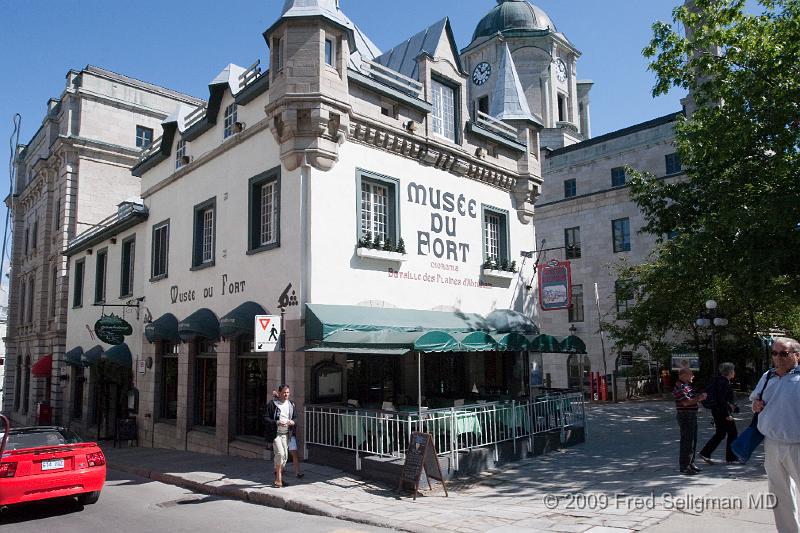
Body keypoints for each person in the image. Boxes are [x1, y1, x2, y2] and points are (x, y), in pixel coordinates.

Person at [750, 337, 800, 532]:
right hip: (771, 444)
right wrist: (755, 405)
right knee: (779, 492)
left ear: (797, 355)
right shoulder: (768, 376)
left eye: (783, 353)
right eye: (774, 353)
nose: (777, 357)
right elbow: (755, 398)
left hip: (797, 444)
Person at [699, 362, 740, 464]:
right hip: (722, 412)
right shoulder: (724, 383)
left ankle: (705, 453)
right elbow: (721, 400)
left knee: (720, 433)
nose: (734, 372)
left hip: (717, 411)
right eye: (733, 370)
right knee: (732, 433)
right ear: (730, 372)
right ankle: (731, 458)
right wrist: (727, 415)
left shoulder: (718, 381)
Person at [672, 367, 707, 475]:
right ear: (683, 375)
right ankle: (684, 467)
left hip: (691, 415)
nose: (693, 376)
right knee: (687, 441)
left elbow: (691, 398)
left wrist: (698, 398)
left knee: (692, 441)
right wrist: (699, 398)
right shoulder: (679, 386)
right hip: (686, 416)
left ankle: (691, 463)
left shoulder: (686, 386)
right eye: (691, 374)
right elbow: (686, 402)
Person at [264, 384, 296, 488]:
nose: (286, 394)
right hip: (275, 434)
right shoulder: (273, 404)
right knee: (280, 454)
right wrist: (277, 422)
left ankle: (278, 474)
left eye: (288, 392)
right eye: (284, 393)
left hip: (286, 434)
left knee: (285, 457)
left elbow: (295, 418)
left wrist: (292, 422)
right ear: (279, 393)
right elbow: (265, 418)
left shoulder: (291, 404)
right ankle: (278, 479)